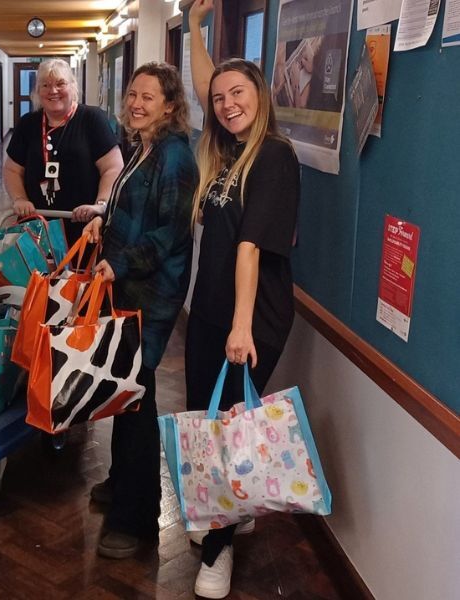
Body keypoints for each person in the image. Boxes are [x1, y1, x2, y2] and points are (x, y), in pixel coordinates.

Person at [187, 0, 301, 596]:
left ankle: (219, 550)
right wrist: (195, 25)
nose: (227, 103)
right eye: (221, 98)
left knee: (231, 424)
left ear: (261, 96)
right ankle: (227, 510)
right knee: (212, 421)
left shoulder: (274, 156)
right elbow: (209, 82)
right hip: (213, 307)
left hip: (251, 315)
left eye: (239, 94)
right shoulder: (228, 147)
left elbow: (251, 247)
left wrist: (240, 326)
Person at [82, 62, 198, 559]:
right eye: (132, 94)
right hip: (126, 282)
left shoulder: (175, 157)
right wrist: (101, 224)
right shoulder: (141, 146)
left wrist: (117, 262)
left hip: (150, 293)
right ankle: (120, 479)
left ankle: (137, 518)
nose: (136, 103)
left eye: (148, 97)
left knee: (137, 397)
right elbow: (132, 210)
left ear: (169, 105)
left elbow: (168, 234)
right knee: (123, 387)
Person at [4, 58, 123, 242]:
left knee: (79, 271)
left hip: (85, 227)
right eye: (45, 85)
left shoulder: (92, 119)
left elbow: (113, 168)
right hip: (37, 225)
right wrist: (19, 199)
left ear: (73, 86)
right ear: (37, 91)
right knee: (37, 271)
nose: (53, 91)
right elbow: (12, 169)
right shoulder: (28, 124)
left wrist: (100, 204)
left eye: (60, 84)